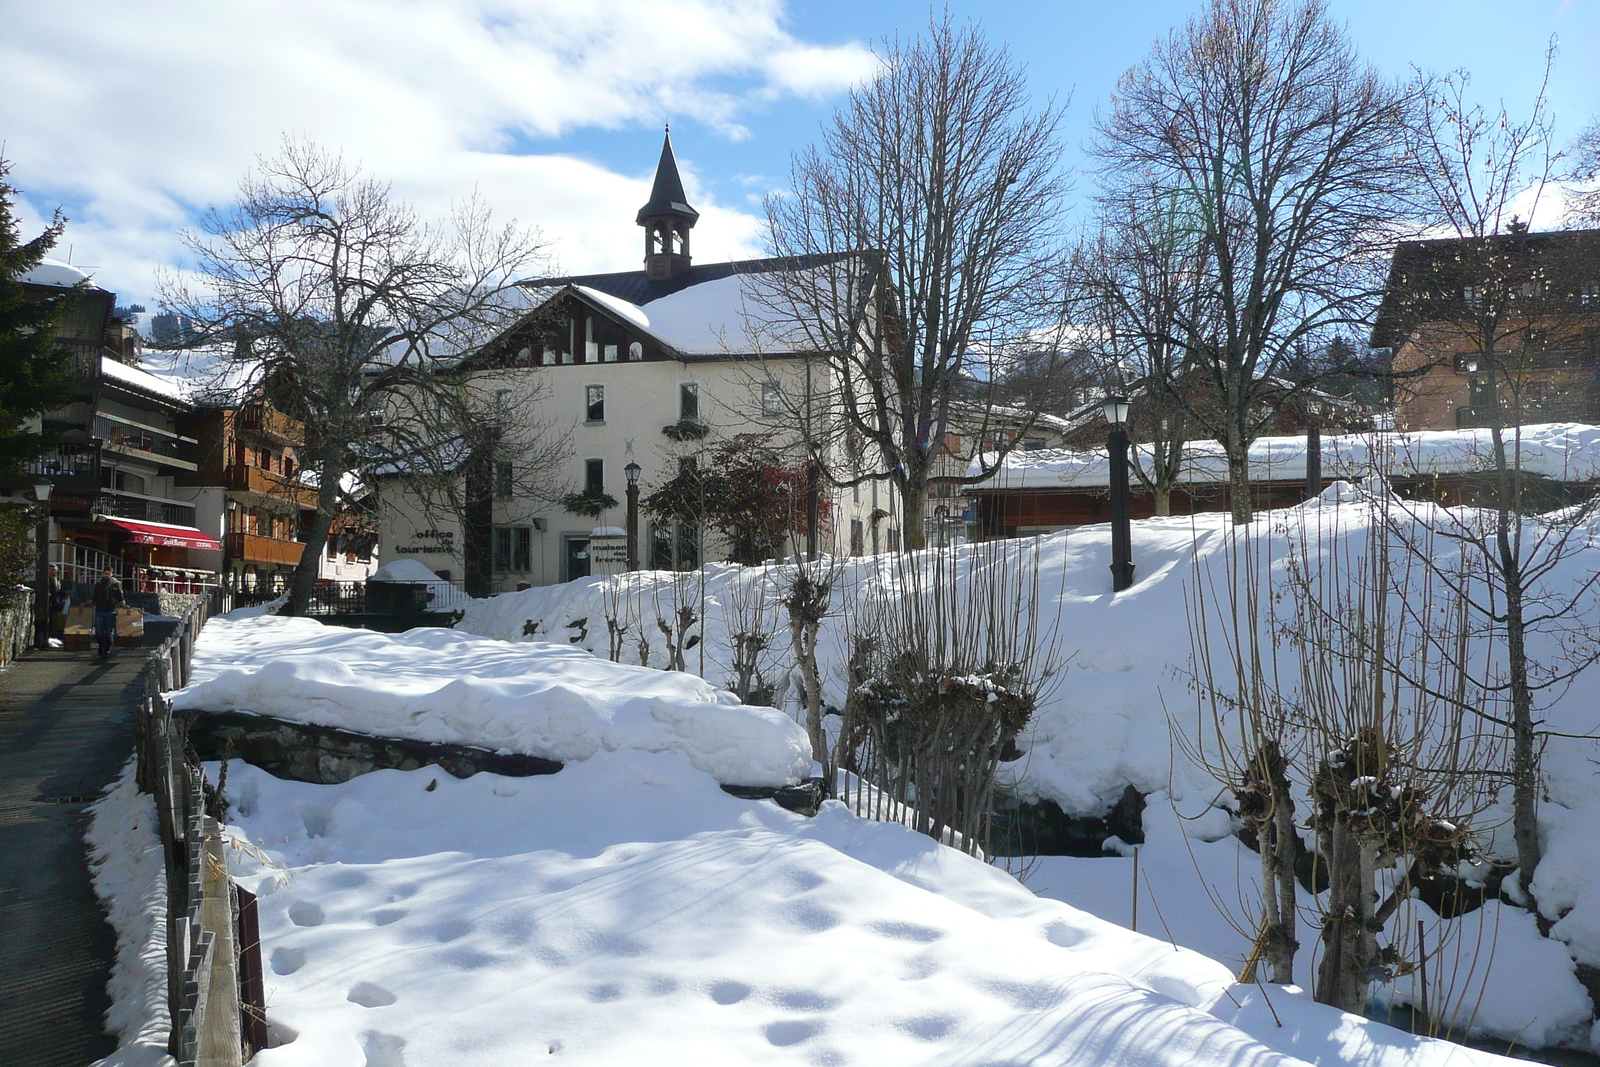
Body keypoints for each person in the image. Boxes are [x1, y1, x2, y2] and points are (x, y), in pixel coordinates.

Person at [91, 567, 125, 656]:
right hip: (99, 610)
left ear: (111, 574)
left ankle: (107, 648)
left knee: (109, 631)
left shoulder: (116, 584)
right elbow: (94, 596)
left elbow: (120, 596)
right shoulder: (98, 583)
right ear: (103, 574)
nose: (107, 575)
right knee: (99, 631)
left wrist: (123, 605)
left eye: (108, 574)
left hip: (111, 610)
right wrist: (87, 603)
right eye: (105, 574)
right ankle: (101, 646)